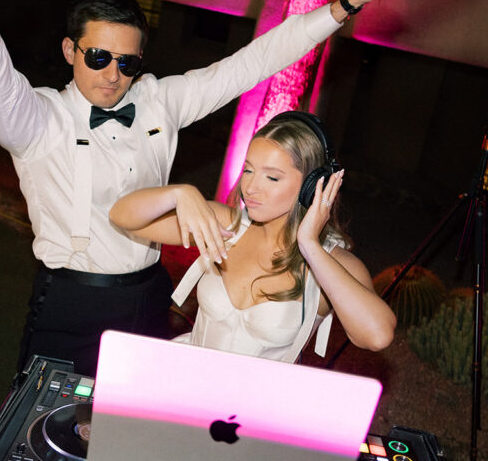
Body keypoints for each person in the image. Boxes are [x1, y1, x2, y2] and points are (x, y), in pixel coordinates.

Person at [0, 0, 411, 375]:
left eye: (127, 62)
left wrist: (345, 3)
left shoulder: (160, 100)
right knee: (41, 430)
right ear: (70, 51)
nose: (113, 75)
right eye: (97, 57)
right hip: (72, 298)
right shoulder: (38, 118)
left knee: (128, 431)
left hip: (148, 296)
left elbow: (252, 62)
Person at [109, 112, 396, 362]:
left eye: (272, 177)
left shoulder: (333, 262)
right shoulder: (226, 225)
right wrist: (178, 192)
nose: (251, 187)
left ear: (313, 185)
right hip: (182, 384)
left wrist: (310, 246)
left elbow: (377, 336)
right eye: (248, 170)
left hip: (253, 414)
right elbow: (123, 216)